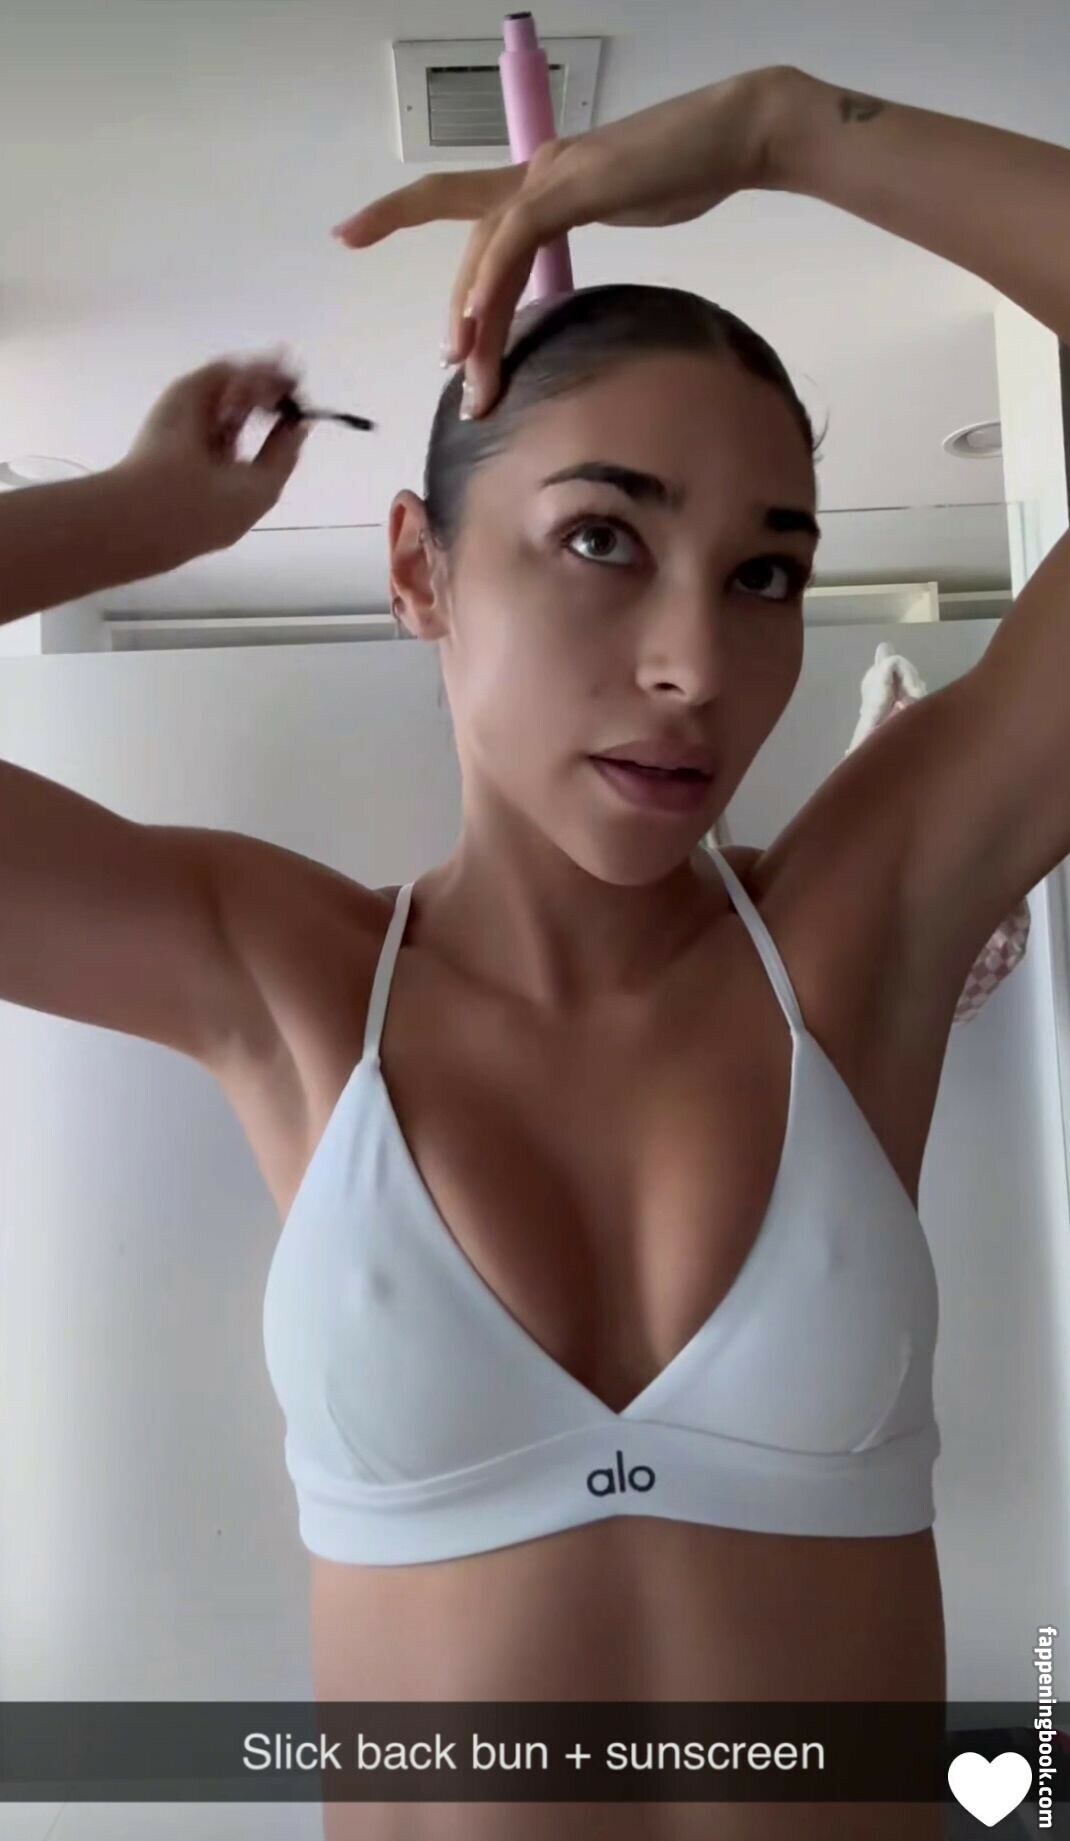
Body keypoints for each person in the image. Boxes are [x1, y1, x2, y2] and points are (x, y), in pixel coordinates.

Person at [4, 61, 1070, 1841]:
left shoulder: (863, 928)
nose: (693, 666)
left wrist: (777, 131)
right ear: (418, 570)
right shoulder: (282, 981)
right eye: (600, 537)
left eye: (763, 572)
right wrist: (135, 521)